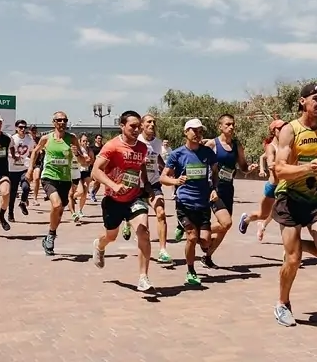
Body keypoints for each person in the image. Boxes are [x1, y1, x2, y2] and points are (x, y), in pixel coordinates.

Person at [272, 83, 317, 327]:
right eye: (316, 99)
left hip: (313, 200)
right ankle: (282, 304)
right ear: (303, 101)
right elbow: (279, 170)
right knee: (293, 261)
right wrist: (306, 169)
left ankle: (294, 246)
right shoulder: (290, 130)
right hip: (288, 198)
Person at [91, 111, 155, 292]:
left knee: (143, 232)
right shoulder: (112, 146)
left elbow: (141, 165)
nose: (136, 130)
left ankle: (143, 277)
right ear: (122, 126)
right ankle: (99, 245)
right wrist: (114, 185)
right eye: (132, 126)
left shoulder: (142, 148)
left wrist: (146, 184)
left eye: (138, 126)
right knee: (111, 236)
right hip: (113, 200)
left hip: (134, 197)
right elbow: (95, 171)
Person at [160, 118, 220, 286]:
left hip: (203, 203)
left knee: (205, 241)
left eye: (200, 131)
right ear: (185, 132)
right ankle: (191, 271)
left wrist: (214, 188)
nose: (198, 134)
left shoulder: (207, 153)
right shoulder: (177, 154)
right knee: (192, 237)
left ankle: (185, 230)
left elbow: (215, 172)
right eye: (194, 130)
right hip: (184, 202)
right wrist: (176, 181)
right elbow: (163, 177)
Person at [196, 114, 258, 267]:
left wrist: (250, 168)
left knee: (224, 227)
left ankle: (207, 256)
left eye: (233, 125)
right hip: (214, 190)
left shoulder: (237, 146)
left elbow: (243, 167)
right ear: (220, 126)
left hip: (228, 189)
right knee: (227, 223)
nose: (231, 127)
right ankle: (197, 232)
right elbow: (199, 163)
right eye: (228, 124)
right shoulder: (212, 144)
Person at [27, 112, 87, 255]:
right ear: (53, 122)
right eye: (59, 120)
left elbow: (83, 162)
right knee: (56, 204)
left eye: (65, 120)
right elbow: (35, 152)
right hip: (49, 176)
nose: (62, 123)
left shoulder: (72, 139)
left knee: (59, 212)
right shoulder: (46, 138)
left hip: (65, 179)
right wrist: (30, 169)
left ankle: (50, 234)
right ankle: (51, 236)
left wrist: (77, 154)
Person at [130, 115, 172, 263]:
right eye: (149, 122)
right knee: (143, 223)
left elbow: (158, 157)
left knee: (161, 212)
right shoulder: (135, 141)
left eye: (154, 122)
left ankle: (163, 250)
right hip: (137, 185)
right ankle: (127, 221)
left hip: (154, 183)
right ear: (141, 125)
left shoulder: (158, 143)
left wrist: (167, 169)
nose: (152, 124)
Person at [238, 119, 286, 241]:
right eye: (280, 128)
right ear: (273, 131)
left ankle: (288, 247)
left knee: (285, 214)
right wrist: (265, 168)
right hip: (273, 186)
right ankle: (246, 219)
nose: (283, 130)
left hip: (285, 186)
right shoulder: (271, 147)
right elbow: (270, 162)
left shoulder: (286, 146)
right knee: (263, 214)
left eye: (284, 128)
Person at [7, 120, 35, 221]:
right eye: (20, 127)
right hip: (12, 169)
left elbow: (32, 152)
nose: (23, 129)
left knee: (26, 188)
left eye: (24, 127)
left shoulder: (29, 140)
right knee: (13, 192)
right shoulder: (12, 139)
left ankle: (22, 203)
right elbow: (6, 152)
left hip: (24, 168)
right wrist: (14, 156)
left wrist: (31, 164)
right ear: (16, 128)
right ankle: (10, 213)